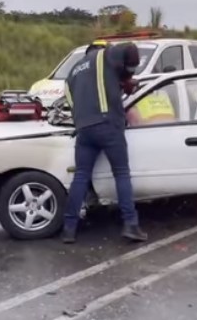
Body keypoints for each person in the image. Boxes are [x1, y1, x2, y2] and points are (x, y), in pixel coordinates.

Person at [61, 40, 147, 244]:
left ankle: (69, 229)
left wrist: (120, 85)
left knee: (81, 177)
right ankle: (130, 225)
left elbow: (80, 100)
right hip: (108, 125)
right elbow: (130, 49)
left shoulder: (72, 73)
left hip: (84, 130)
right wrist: (128, 77)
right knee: (122, 174)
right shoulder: (105, 55)